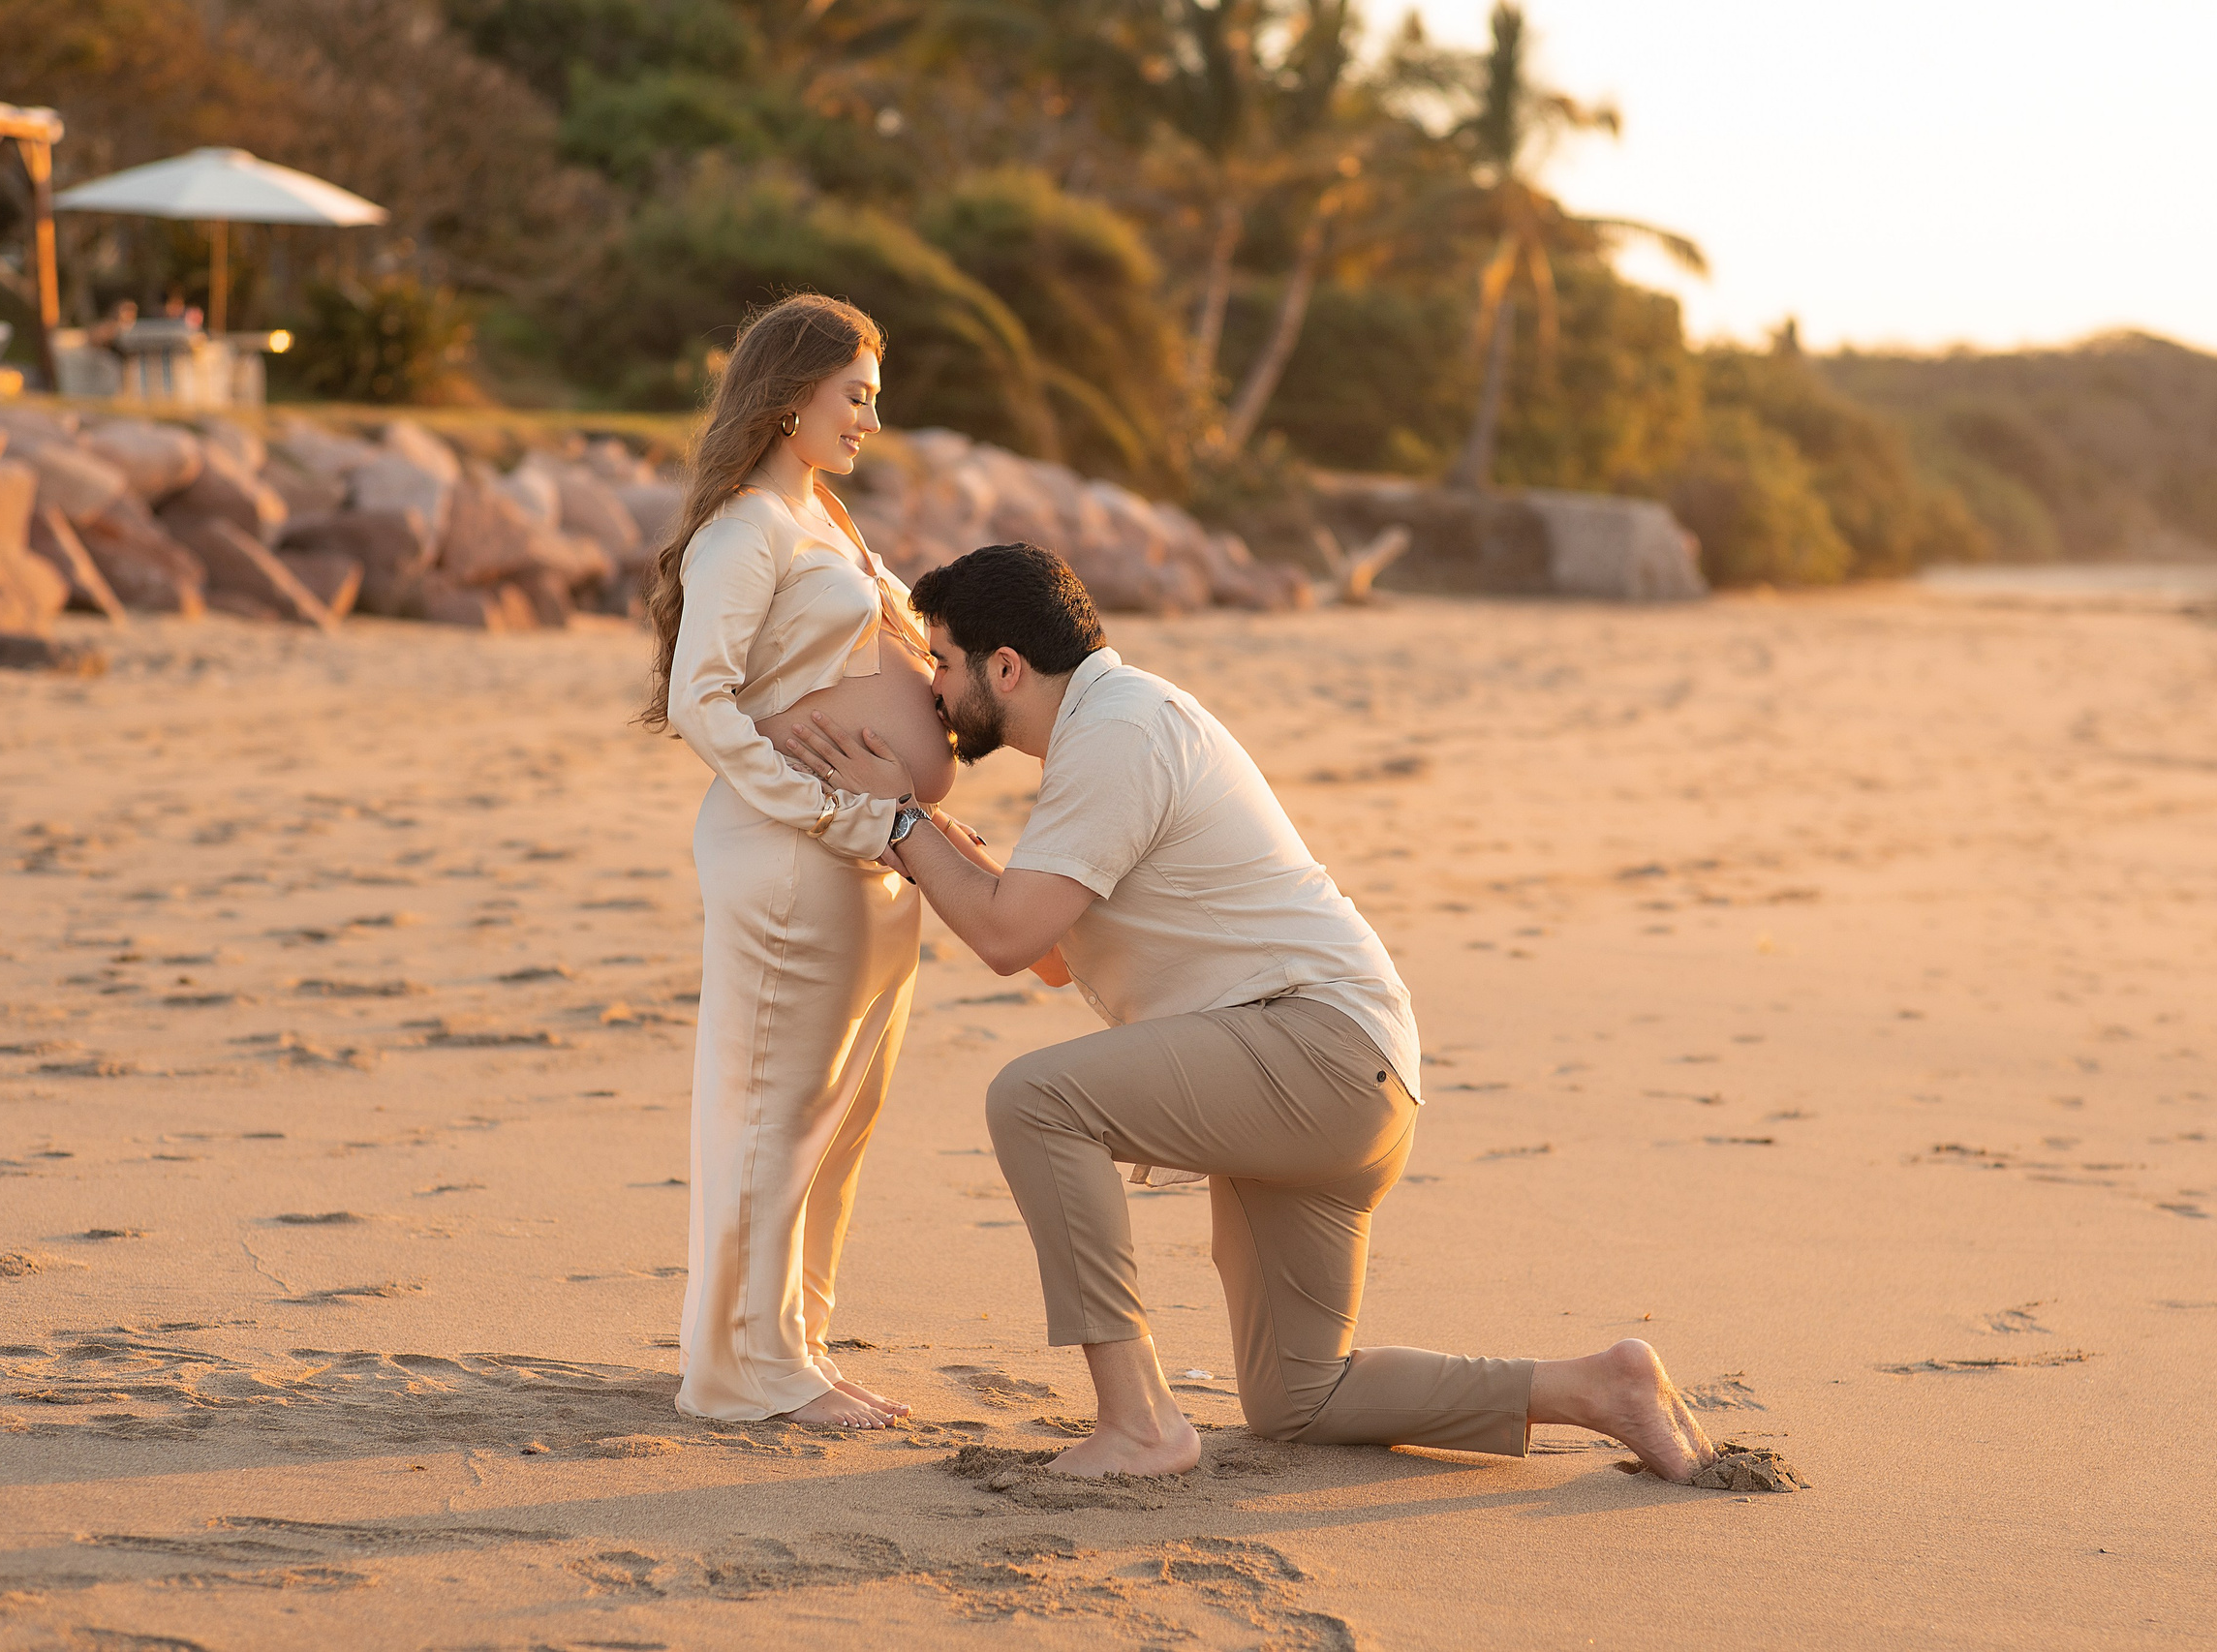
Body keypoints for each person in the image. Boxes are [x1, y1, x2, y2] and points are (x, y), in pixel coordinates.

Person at [782, 543, 1720, 1480]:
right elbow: (1054, 956)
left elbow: (1005, 937)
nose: (933, 688)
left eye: (942, 660)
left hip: (1311, 1049)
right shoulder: (1117, 722)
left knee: (1035, 1100)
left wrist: (900, 819)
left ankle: (1139, 1421)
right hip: (1349, 1074)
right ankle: (1600, 1387)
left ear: (1006, 667)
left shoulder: (1116, 734)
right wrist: (939, 843)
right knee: (1300, 1398)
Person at [639, 294, 961, 1430]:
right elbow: (702, 698)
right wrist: (829, 808)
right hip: (793, 851)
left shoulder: (821, 514)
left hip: (868, 855)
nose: (872, 418)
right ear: (789, 397)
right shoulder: (745, 529)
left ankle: (797, 1344)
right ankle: (744, 1366)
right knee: (773, 1111)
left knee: (840, 1116)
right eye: (856, 395)